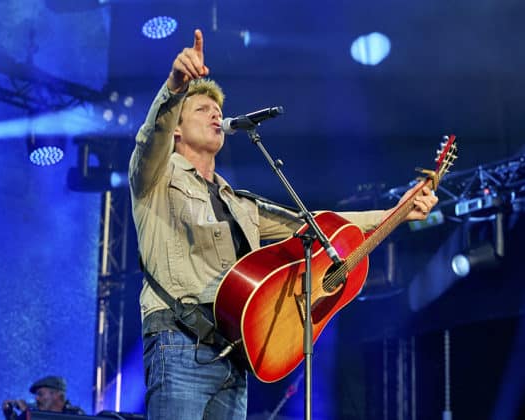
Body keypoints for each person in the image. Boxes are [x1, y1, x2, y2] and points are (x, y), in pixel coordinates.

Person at [128, 28, 438, 420]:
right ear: (177, 127)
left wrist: (397, 211)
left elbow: (315, 225)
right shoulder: (155, 177)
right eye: (202, 110)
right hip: (179, 344)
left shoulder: (238, 202)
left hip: (232, 353)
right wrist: (175, 87)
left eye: (217, 110)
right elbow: (149, 138)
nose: (215, 114)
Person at [1, 375, 85, 419]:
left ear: (57, 395)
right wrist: (11, 416)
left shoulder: (75, 415)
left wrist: (27, 413)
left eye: (40, 394)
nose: (36, 398)